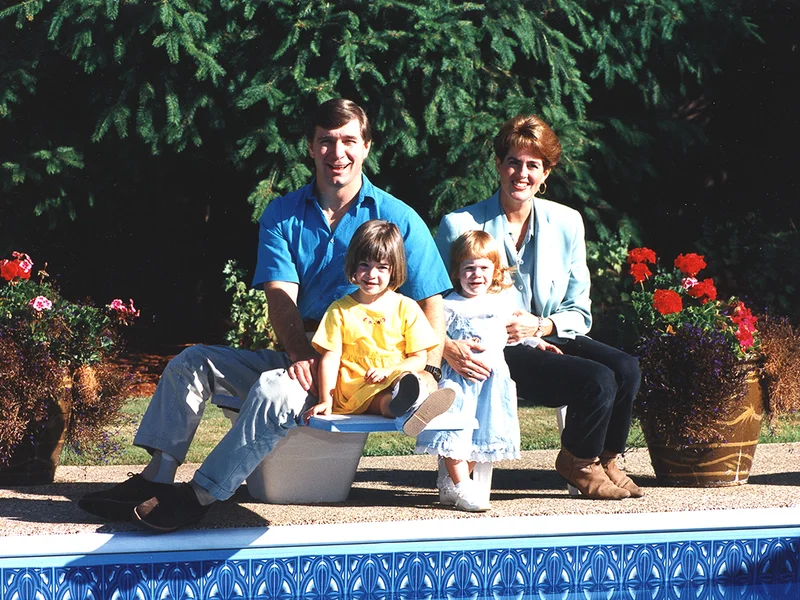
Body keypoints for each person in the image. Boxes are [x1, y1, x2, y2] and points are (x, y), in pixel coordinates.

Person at [78, 98, 452, 532]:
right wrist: (299, 355)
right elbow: (280, 297)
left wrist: (429, 370)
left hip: (365, 374)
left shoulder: (399, 218)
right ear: (310, 148)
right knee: (192, 362)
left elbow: (430, 301)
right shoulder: (282, 214)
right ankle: (155, 480)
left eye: (349, 140)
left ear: (366, 146)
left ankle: (199, 495)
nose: (338, 152)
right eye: (326, 141)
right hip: (306, 354)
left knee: (276, 393)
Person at [435, 114, 643, 500]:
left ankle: (606, 459)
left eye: (533, 165)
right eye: (513, 161)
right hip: (492, 346)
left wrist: (542, 326)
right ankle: (578, 463)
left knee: (626, 368)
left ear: (546, 172)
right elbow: (432, 304)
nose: (521, 173)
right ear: (498, 165)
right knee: (596, 380)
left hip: (548, 331)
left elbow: (579, 311)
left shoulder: (567, 222)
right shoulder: (459, 224)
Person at [417, 230, 563, 512]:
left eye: (483, 268)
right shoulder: (446, 306)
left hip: (491, 383)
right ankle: (462, 487)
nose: (476, 275)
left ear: (495, 271)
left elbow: (513, 334)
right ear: (456, 272)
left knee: (483, 435)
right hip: (458, 382)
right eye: (468, 268)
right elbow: (429, 333)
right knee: (455, 435)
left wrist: (537, 342)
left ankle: (449, 483)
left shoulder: (500, 305)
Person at [303, 219, 455, 434]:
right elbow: (331, 357)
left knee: (410, 379)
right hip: (357, 387)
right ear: (353, 265)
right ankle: (411, 407)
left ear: (394, 270)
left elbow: (419, 358)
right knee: (384, 403)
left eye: (381, 267)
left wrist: (389, 371)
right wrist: (325, 399)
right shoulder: (340, 310)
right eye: (364, 265)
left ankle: (414, 402)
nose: (371, 274)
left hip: (396, 375)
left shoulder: (407, 307)